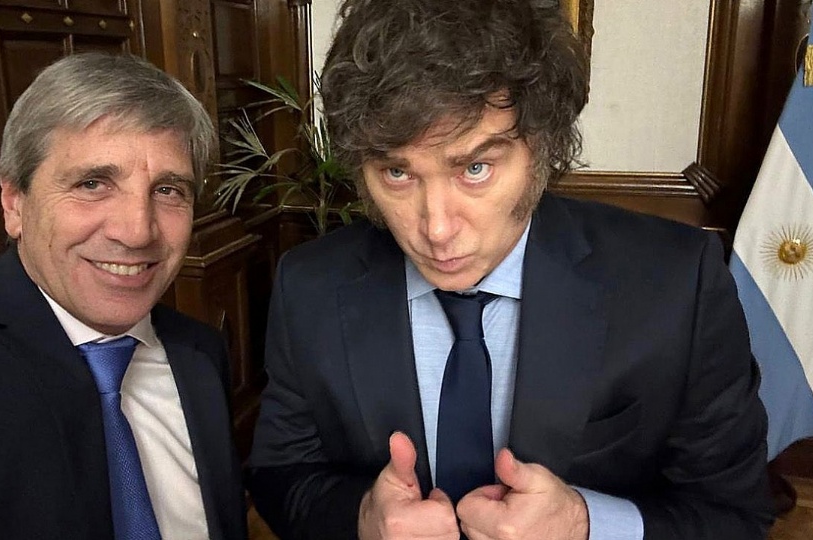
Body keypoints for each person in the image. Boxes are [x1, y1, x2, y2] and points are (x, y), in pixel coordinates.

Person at [245, 1, 774, 539]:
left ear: (542, 148)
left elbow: (734, 515)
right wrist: (361, 518)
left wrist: (584, 524)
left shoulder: (678, 284)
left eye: (475, 168)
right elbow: (281, 474)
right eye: (397, 173)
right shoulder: (308, 286)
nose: (436, 228)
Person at [0, 53, 246, 540]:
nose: (137, 231)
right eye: (92, 183)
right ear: (14, 203)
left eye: (167, 190)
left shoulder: (200, 353)